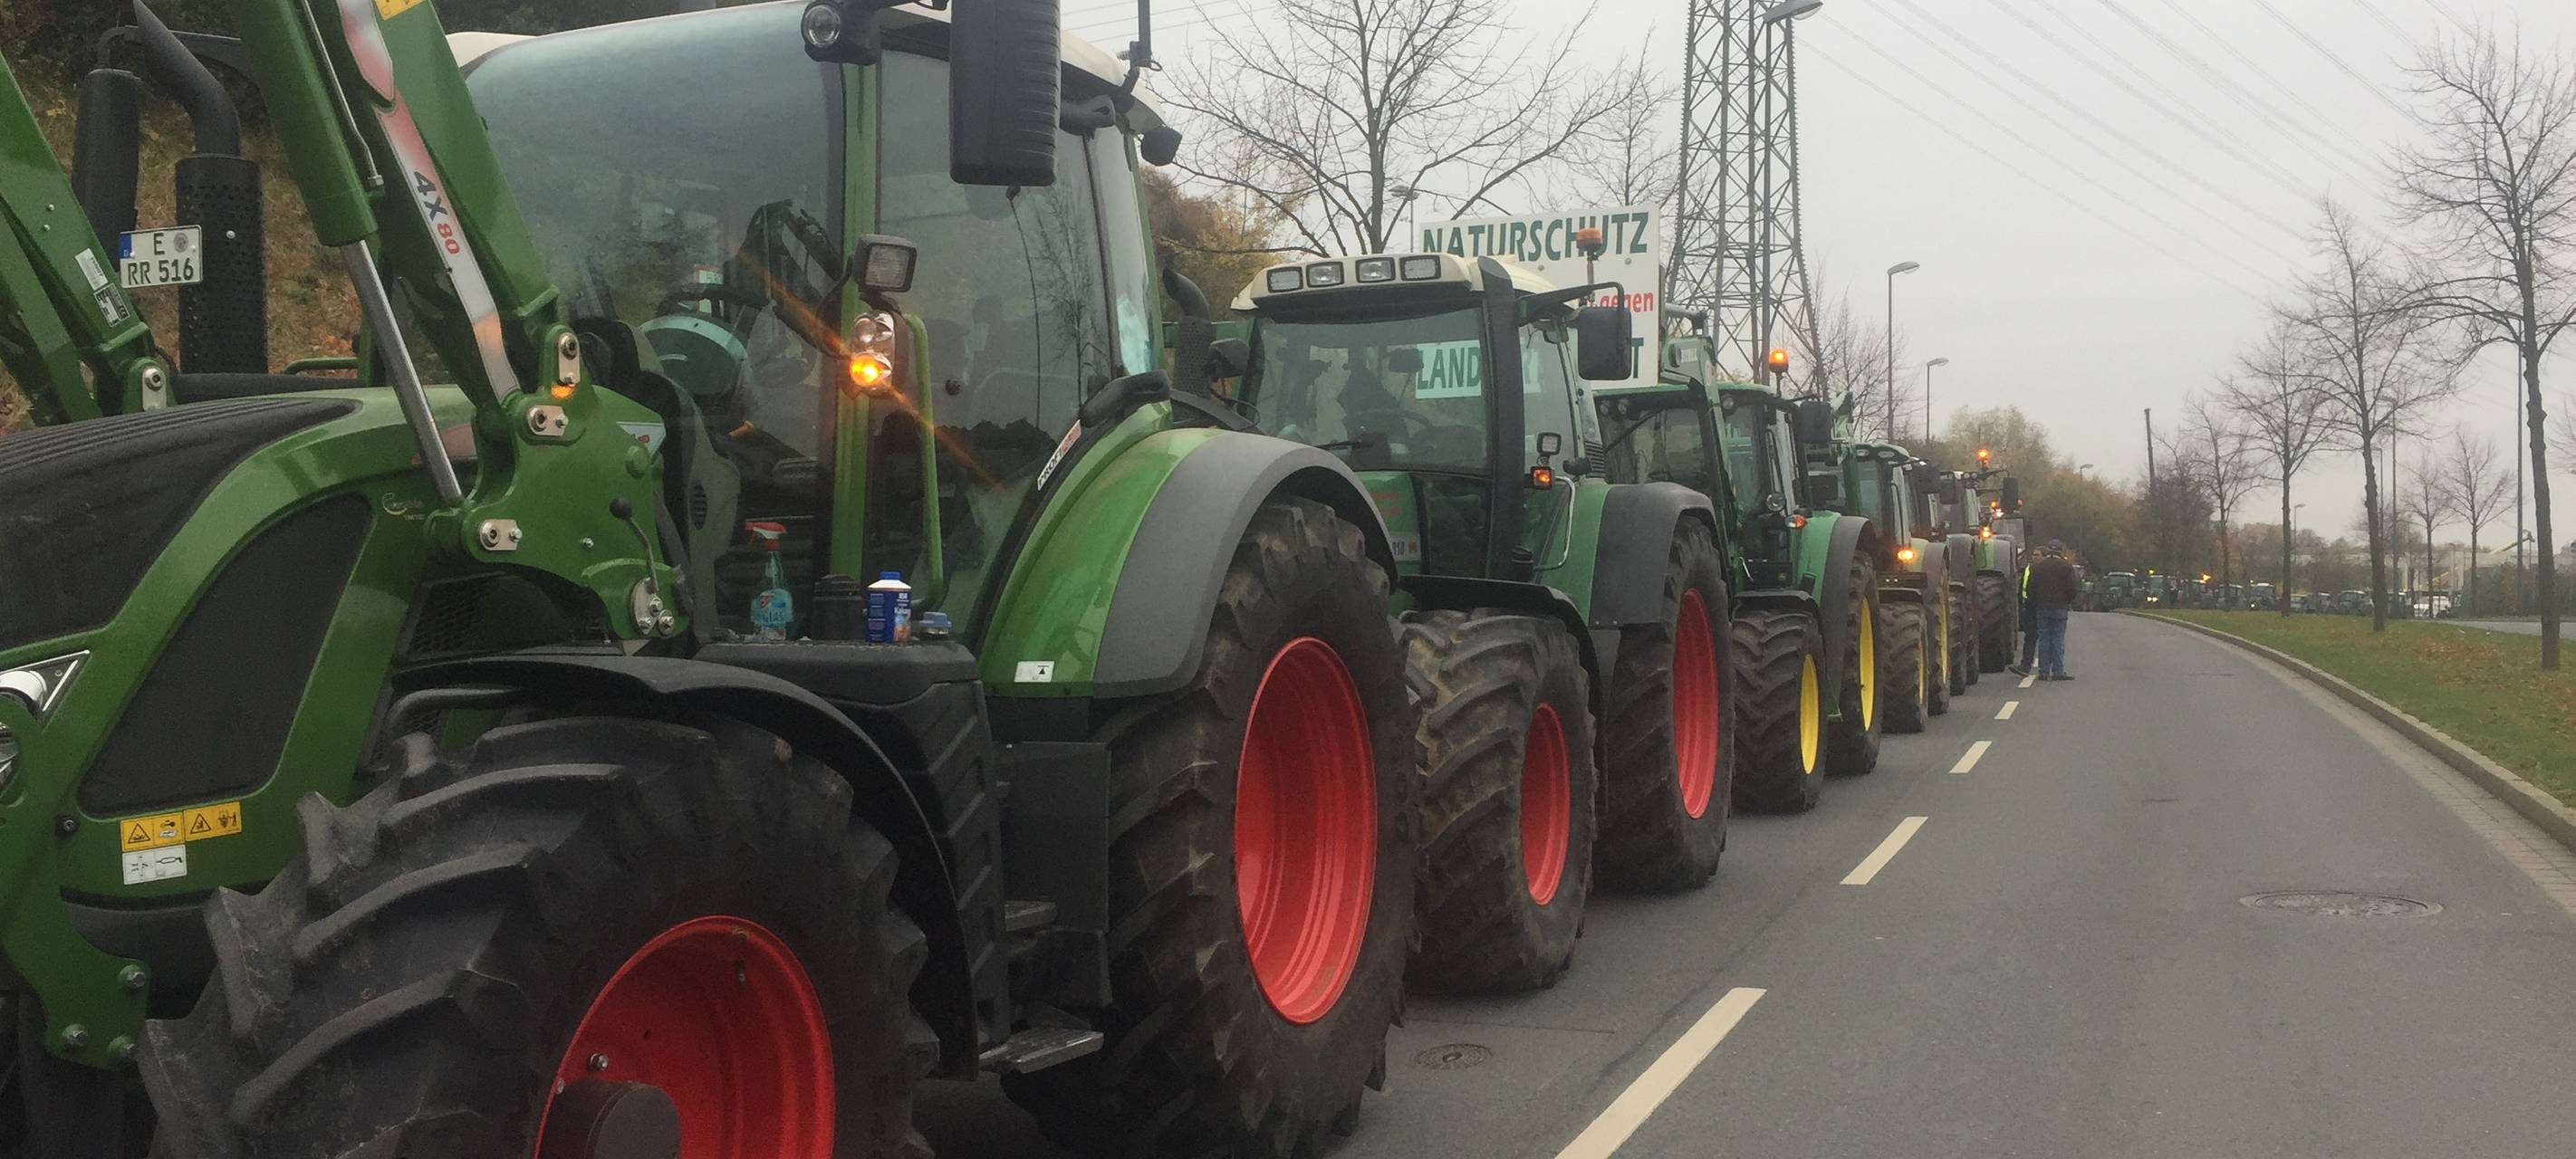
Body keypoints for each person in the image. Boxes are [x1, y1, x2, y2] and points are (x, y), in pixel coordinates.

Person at [2026, 540, 2080, 681]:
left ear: (2048, 551)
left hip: (2042, 608)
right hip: (2060, 608)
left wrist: (2037, 602)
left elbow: (2030, 589)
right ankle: (2058, 671)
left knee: (2044, 639)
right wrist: (2066, 601)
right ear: (2061, 551)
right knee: (2057, 639)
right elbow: (2073, 589)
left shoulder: (2037, 567)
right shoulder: (2066, 567)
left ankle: (2043, 672)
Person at [2010, 547, 2039, 677]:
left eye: (2037, 555)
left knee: (2047, 638)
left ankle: (2047, 669)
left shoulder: (2044, 570)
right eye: (2034, 554)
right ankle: (2026, 665)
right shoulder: (2029, 569)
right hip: (2029, 606)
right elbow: (2022, 587)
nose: (2034, 557)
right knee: (2030, 637)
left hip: (2042, 607)